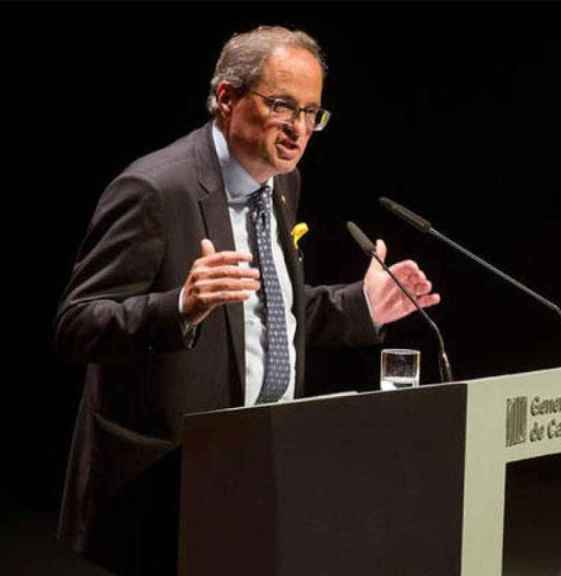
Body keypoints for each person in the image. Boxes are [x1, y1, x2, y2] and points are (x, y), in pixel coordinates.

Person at [53, 26, 440, 575]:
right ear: (227, 97)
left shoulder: (282, 183)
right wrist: (179, 307)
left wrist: (362, 306)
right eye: (283, 106)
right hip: (164, 480)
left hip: (259, 460)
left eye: (312, 113)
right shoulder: (155, 191)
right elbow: (76, 325)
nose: (299, 129)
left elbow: (262, 313)